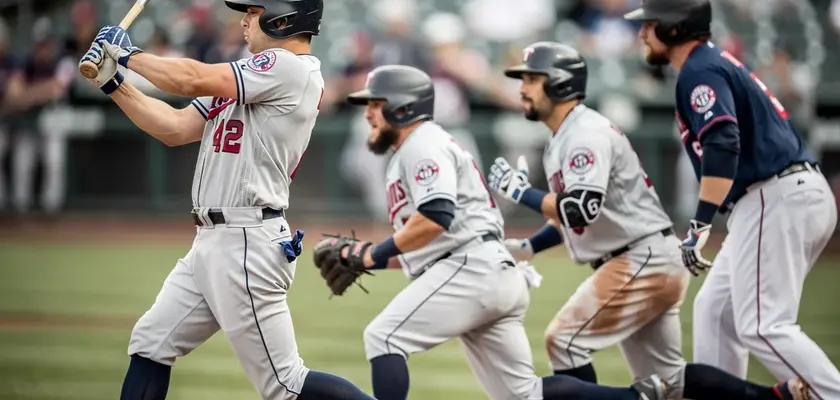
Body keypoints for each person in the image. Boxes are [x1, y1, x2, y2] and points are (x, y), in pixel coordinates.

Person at [314, 63, 668, 400]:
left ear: (402, 109)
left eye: (376, 104)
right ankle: (637, 395)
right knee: (524, 394)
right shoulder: (419, 147)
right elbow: (428, 246)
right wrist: (365, 260)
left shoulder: (421, 145)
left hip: (471, 270)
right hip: (484, 270)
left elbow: (437, 216)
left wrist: (372, 253)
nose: (367, 113)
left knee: (384, 338)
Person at [77, 1, 375, 399]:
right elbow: (175, 127)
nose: (244, 20)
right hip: (213, 241)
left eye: (254, 11)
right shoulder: (257, 73)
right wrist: (114, 82)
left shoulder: (290, 68)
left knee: (285, 384)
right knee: (151, 344)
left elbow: (188, 79)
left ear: (283, 17)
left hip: (247, 239)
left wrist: (129, 54)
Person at [492, 40, 811, 400]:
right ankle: (778, 396)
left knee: (564, 341)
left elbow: (580, 209)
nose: (522, 87)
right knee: (669, 379)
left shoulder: (583, 135)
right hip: (648, 255)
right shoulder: (569, 135)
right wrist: (531, 245)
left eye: (531, 79)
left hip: (639, 258)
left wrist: (522, 194)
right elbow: (578, 217)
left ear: (559, 83)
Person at [625, 0, 840, 399]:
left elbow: (724, 141)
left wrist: (700, 224)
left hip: (775, 195)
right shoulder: (706, 63)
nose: (641, 33)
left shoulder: (699, 69)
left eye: (650, 23)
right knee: (715, 310)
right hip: (782, 194)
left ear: (674, 27)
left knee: (762, 325)